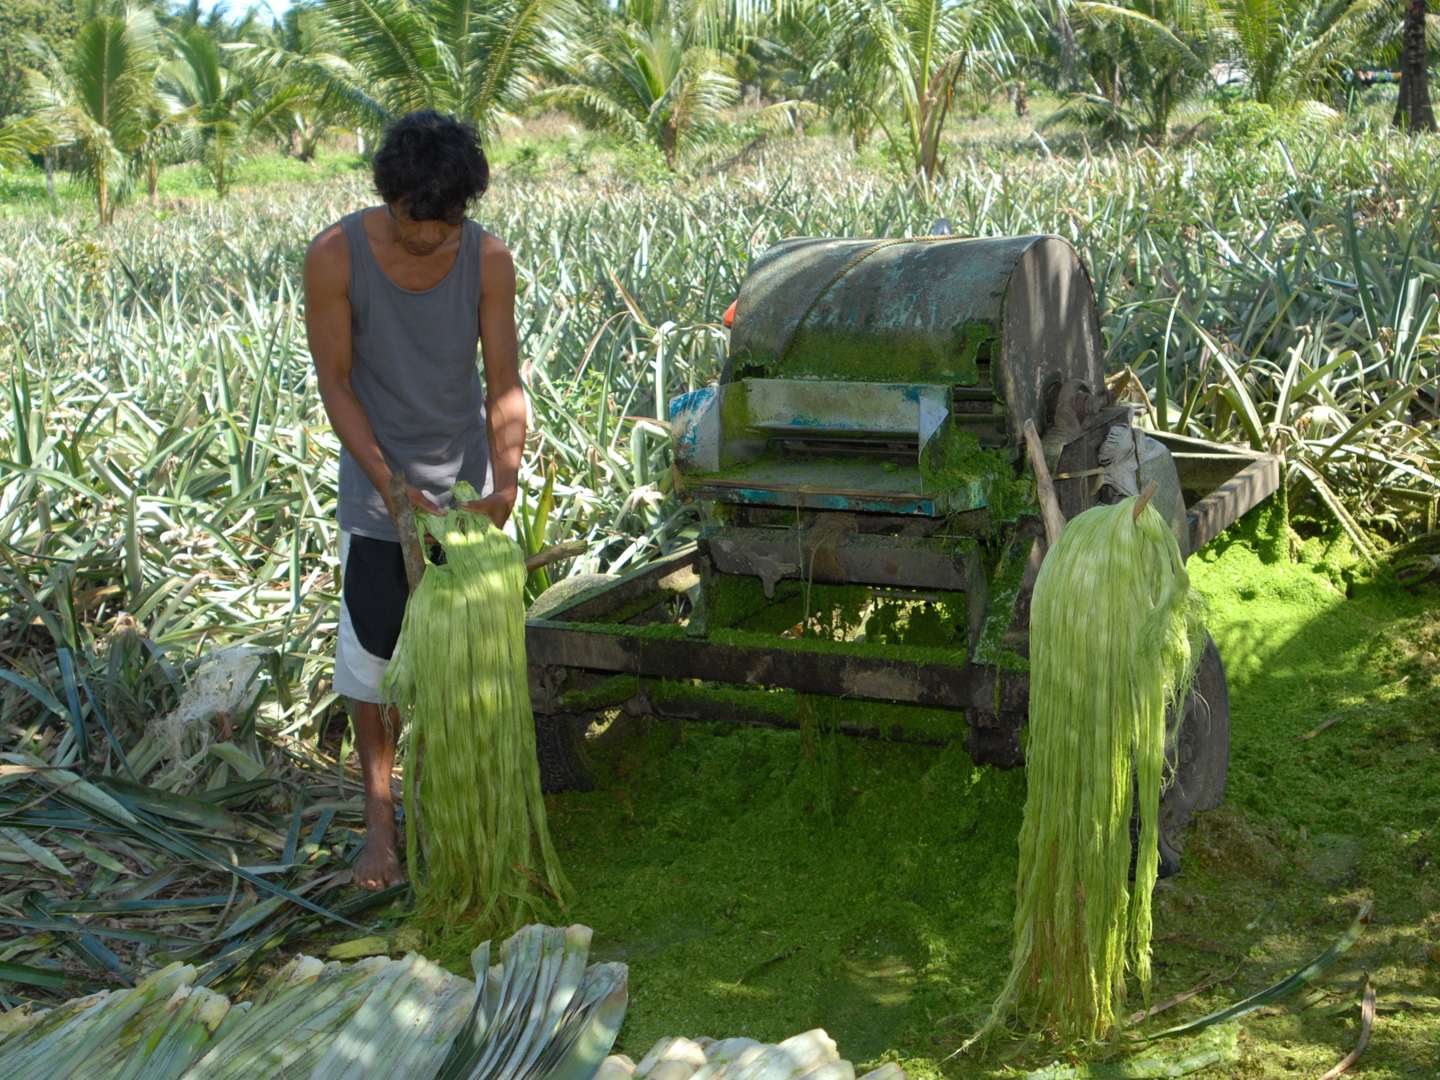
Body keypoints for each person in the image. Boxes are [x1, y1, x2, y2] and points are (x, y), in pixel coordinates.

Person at [303, 110, 524, 891]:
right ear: (387, 199)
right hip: (377, 500)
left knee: (470, 671)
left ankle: (465, 814)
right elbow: (336, 383)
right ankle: (379, 823)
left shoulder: (488, 260)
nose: (431, 237)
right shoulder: (335, 256)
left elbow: (504, 387)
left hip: (465, 503)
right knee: (374, 672)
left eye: (448, 221)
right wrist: (391, 489)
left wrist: (503, 484)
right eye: (413, 220)